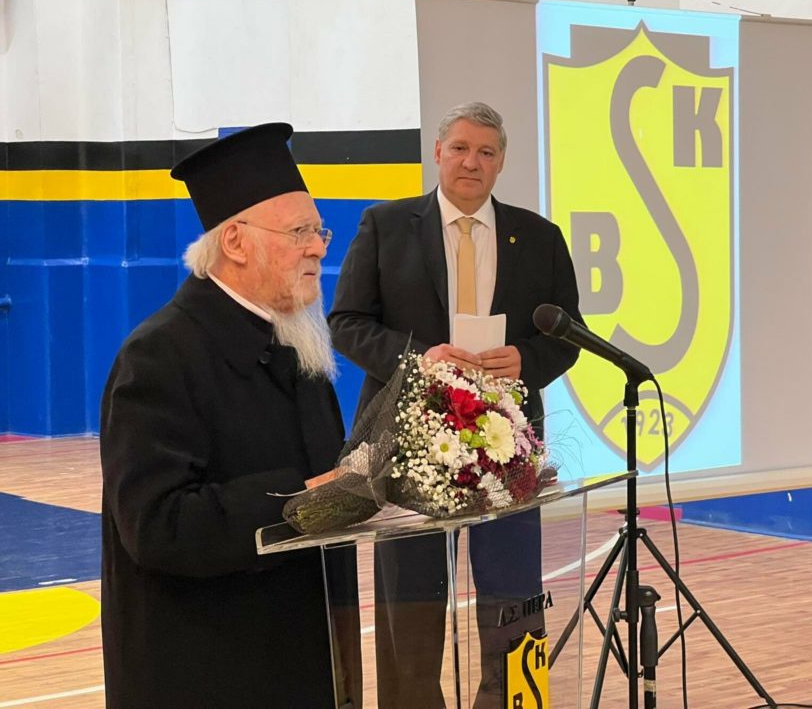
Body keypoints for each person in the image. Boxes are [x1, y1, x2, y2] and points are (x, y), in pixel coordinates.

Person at [328, 101, 582, 708]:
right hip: (408, 445)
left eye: (486, 152)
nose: (472, 162)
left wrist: (527, 359)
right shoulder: (385, 226)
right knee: (409, 602)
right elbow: (347, 323)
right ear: (438, 152)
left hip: (507, 448)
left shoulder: (540, 237)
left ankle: (515, 702)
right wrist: (420, 358)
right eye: (461, 148)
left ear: (501, 163)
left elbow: (567, 336)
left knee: (514, 597)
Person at [100, 123, 360, 709]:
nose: (319, 248)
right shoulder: (158, 356)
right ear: (237, 242)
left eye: (319, 230)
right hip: (203, 670)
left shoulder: (298, 349)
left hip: (300, 658)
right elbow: (157, 526)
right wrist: (300, 499)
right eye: (299, 232)